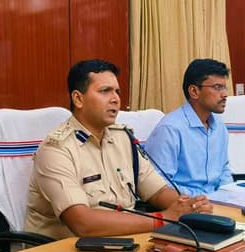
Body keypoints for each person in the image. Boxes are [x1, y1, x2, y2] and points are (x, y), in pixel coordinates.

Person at [25, 59, 212, 240]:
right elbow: (82, 223)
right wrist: (164, 218)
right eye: (105, 91)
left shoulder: (123, 138)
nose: (115, 99)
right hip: (64, 250)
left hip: (123, 240)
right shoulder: (56, 149)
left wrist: (188, 207)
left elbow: (157, 191)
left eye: (117, 92)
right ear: (78, 99)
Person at [144, 59, 233, 196]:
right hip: (185, 203)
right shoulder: (170, 129)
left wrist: (229, 195)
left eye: (225, 87)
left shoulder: (219, 126)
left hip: (218, 202)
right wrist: (198, 198)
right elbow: (158, 184)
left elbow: (223, 170)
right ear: (194, 91)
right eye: (217, 87)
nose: (225, 94)